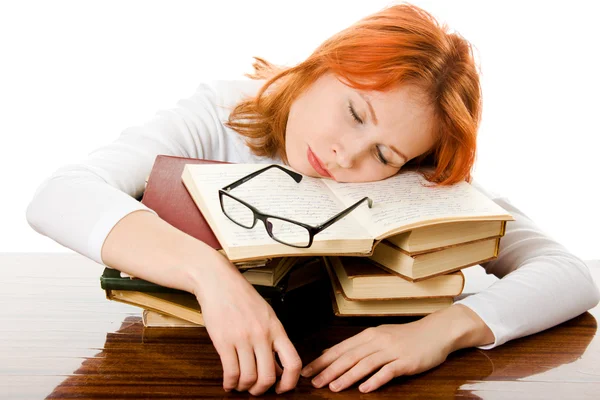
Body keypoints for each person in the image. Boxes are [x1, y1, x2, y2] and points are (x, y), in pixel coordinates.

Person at [26, 3, 599, 396]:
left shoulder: (408, 179)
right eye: (354, 112)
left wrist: (440, 332)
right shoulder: (224, 113)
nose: (347, 157)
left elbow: (570, 273)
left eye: (385, 154)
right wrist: (212, 277)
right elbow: (61, 195)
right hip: (175, 360)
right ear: (326, 62)